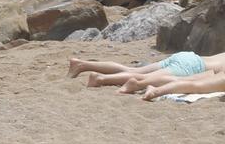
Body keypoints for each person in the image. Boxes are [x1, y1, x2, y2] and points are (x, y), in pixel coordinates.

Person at [67, 51, 215, 92]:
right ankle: (101, 79)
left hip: (188, 56)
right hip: (194, 66)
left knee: (133, 69)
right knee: (142, 77)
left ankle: (82, 65)